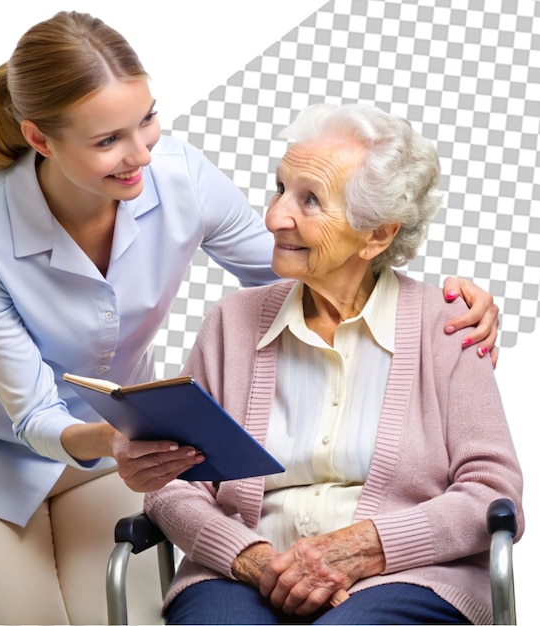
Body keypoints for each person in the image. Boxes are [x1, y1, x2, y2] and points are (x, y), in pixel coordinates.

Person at [0, 10, 499, 626]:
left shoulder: (178, 175)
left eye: (146, 120)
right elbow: (35, 414)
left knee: (132, 619)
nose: (140, 153)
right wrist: (117, 439)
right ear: (41, 140)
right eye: (108, 140)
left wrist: (438, 304)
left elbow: (297, 266)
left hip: (125, 456)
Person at [144, 103, 524, 625]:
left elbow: (491, 492)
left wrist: (364, 546)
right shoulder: (232, 321)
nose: (275, 217)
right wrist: (253, 559)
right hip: (243, 573)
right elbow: (174, 481)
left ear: (378, 234)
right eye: (280, 189)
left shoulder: (449, 325)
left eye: (311, 200)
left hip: (407, 577)